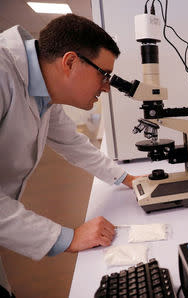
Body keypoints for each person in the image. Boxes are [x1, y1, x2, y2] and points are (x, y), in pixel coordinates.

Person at [0, 14, 137, 296]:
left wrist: (129, 179)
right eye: (104, 74)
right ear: (70, 62)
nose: (107, 86)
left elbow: (72, 142)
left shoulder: (43, 93)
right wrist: (68, 237)